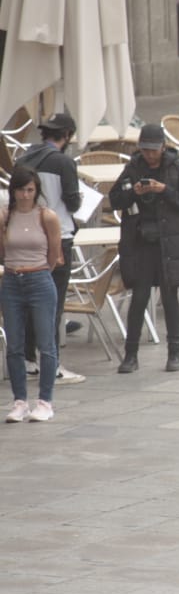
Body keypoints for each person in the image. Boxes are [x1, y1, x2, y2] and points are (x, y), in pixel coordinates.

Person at [109, 123, 179, 374]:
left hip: (169, 240)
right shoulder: (133, 167)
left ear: (163, 147)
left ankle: (174, 353)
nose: (150, 155)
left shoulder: (175, 166)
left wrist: (164, 190)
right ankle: (131, 355)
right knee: (139, 297)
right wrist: (135, 193)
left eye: (154, 150)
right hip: (141, 242)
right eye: (146, 150)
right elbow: (114, 199)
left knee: (170, 297)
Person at [17, 112, 85, 387]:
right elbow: (73, 203)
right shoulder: (64, 162)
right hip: (58, 237)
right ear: (67, 135)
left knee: (32, 301)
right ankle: (53, 364)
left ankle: (29, 360)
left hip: (27, 236)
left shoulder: (22, 160)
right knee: (52, 303)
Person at [1, 166, 63, 424]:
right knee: (14, 344)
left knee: (45, 343)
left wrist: (39, 270)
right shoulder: (5, 216)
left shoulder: (46, 216)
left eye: (30, 190)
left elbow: (54, 255)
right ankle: (20, 401)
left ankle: (45, 401)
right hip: (12, 279)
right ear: (13, 191)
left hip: (39, 277)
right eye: (21, 190)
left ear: (36, 191)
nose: (25, 195)